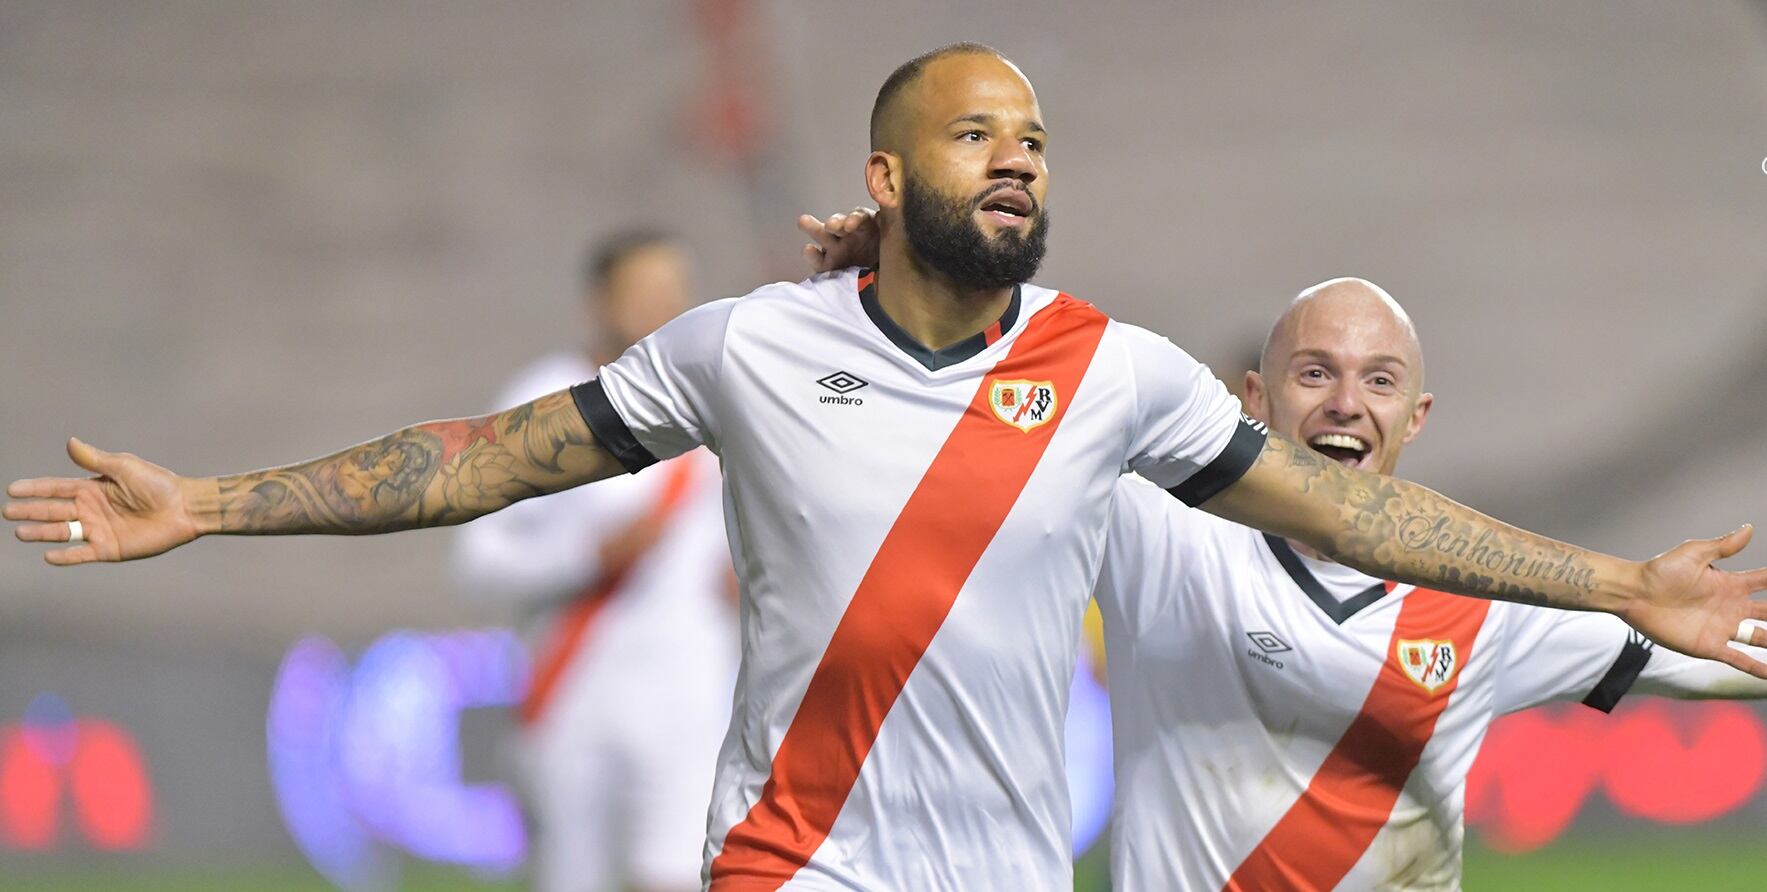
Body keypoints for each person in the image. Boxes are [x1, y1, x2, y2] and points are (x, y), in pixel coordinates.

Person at [8, 43, 1767, 891]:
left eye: (1036, 139)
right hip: (787, 863)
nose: (1016, 156)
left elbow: (1357, 511)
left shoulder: (1115, 378)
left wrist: (1618, 581)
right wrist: (215, 501)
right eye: (976, 132)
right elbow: (492, 458)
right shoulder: (750, 347)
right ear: (886, 165)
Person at [1090, 278, 1767, 891]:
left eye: (1379, 382)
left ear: (1415, 415)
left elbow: (1728, 649)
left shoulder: (1491, 597)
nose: (1346, 404)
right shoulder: (1155, 534)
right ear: (1255, 400)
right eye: (1315, 373)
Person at [454, 231, 735, 892]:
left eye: (675, 291)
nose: (666, 308)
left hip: (688, 692)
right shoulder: (544, 397)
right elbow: (478, 559)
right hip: (573, 691)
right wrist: (587, 555)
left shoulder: (724, 400)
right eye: (646, 293)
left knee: (677, 874)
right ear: (599, 302)